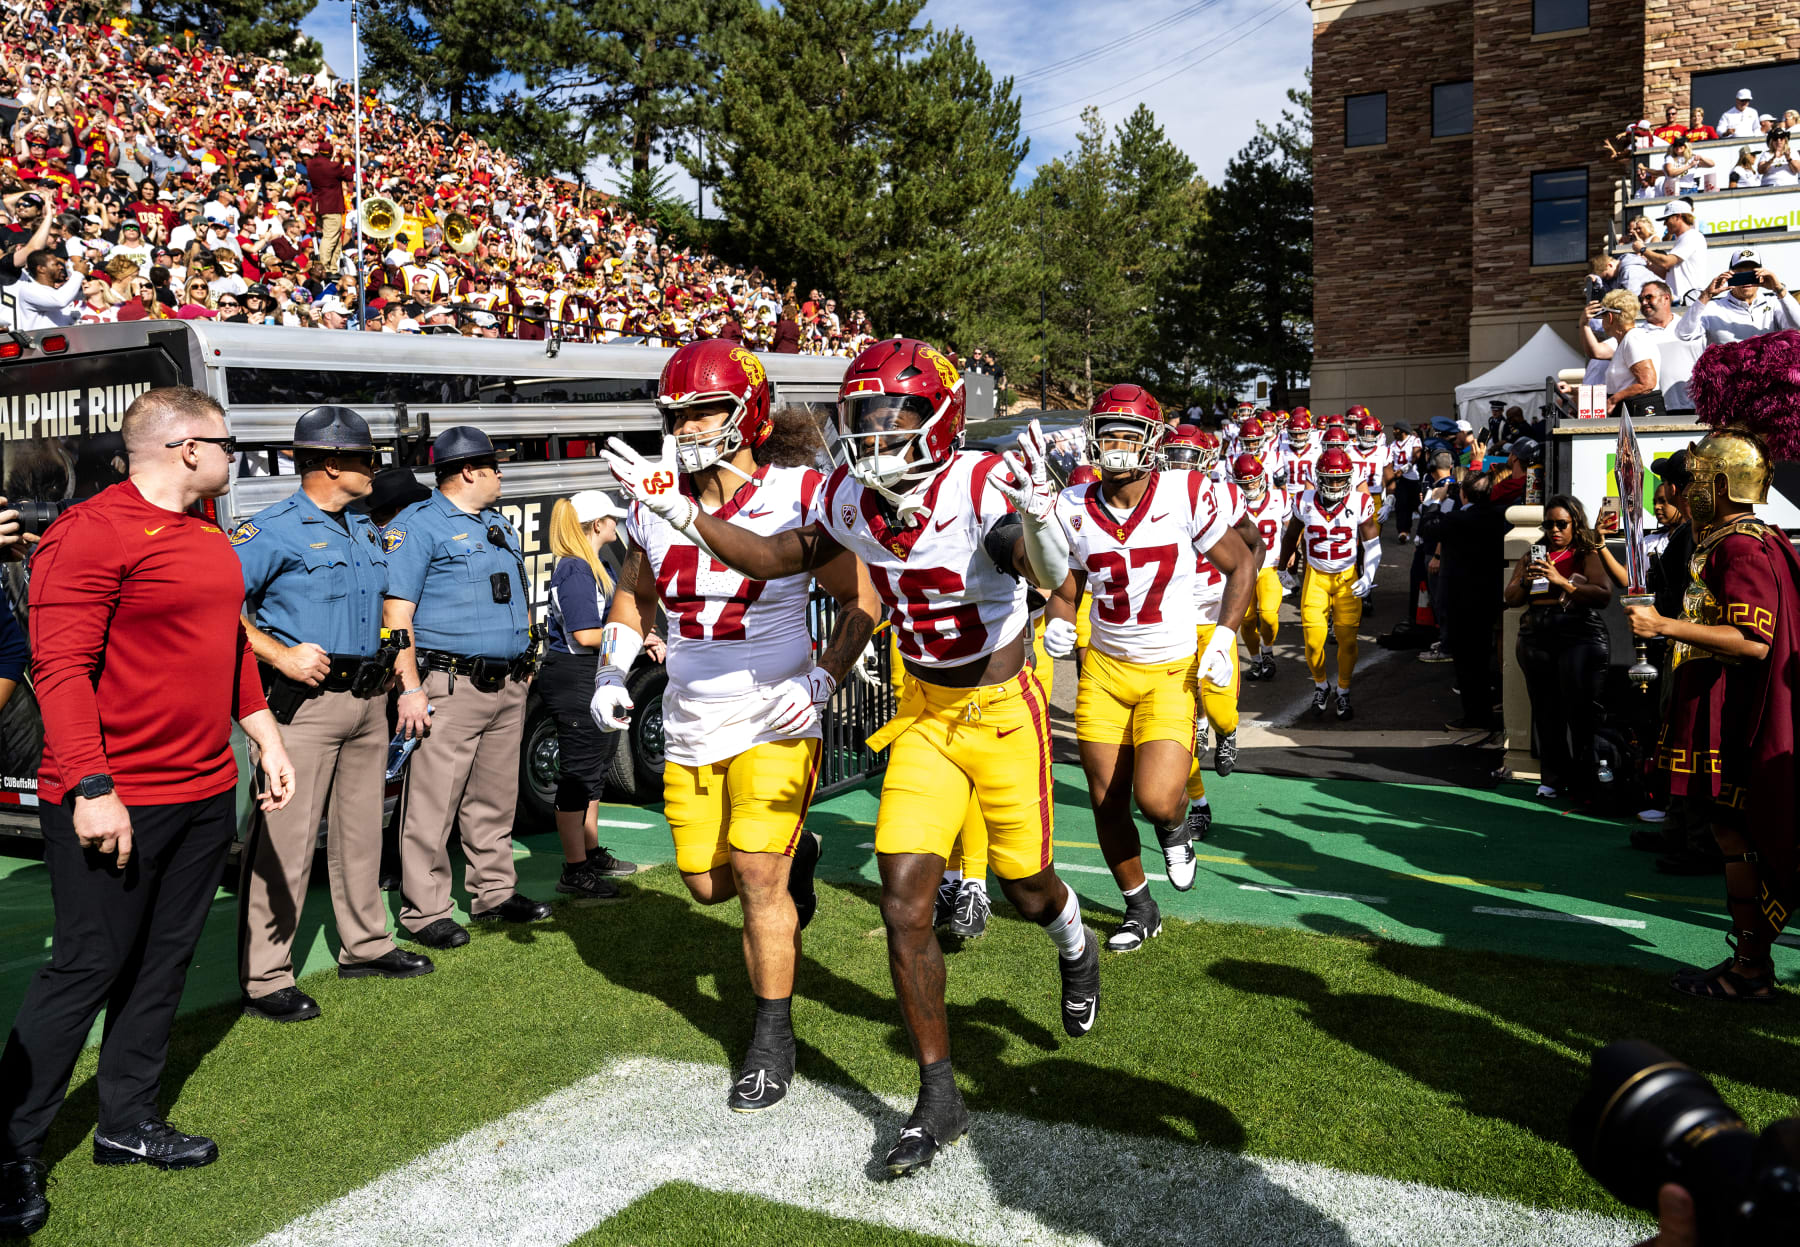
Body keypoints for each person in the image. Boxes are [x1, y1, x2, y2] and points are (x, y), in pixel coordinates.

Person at [604, 337, 1091, 1177]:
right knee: (905, 906)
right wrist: (688, 518)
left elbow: (1040, 566)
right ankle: (939, 1099)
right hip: (925, 716)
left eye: (895, 415)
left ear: (942, 419)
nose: (877, 433)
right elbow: (776, 558)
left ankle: (1074, 939)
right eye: (863, 417)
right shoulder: (846, 497)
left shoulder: (978, 481)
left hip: (1004, 710)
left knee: (1026, 881)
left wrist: (1047, 524)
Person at [0, 387, 296, 1237]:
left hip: (203, 789)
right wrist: (93, 788)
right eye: (229, 442)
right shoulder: (89, 533)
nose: (238, 457)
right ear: (186, 446)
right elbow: (57, 667)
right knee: (87, 967)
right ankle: (9, 1144)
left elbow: (230, 645)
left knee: (162, 962)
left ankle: (126, 1122)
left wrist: (265, 737)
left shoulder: (205, 531)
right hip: (113, 796)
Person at [593, 341, 876, 1112]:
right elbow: (634, 593)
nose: (688, 427)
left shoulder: (796, 493)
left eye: (705, 410)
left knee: (756, 876)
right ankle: (803, 853)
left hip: (773, 710)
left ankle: (770, 1036)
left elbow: (862, 600)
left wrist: (823, 678)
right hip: (691, 713)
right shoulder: (654, 496)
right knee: (707, 882)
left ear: (746, 409)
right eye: (677, 413)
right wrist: (613, 669)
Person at [232, 407, 433, 1026]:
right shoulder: (269, 531)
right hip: (303, 708)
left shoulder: (364, 529)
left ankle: (366, 944)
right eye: (367, 458)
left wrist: (405, 686)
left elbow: (390, 619)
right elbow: (218, 610)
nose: (375, 468)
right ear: (329, 463)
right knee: (286, 841)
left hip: (368, 699)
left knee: (359, 832)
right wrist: (278, 653)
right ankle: (266, 975)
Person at [1042, 386, 1258, 954]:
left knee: (1158, 799)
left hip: (1168, 669)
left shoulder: (1188, 492)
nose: (1114, 444)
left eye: (1126, 433)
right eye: (1106, 431)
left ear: (1152, 441)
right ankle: (1140, 907)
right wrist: (1057, 619)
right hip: (1105, 673)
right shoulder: (1072, 505)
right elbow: (1066, 591)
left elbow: (1242, 565)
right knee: (1105, 799)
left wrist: (1227, 635)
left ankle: (1174, 827)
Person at [1625, 333, 1800, 1001]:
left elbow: (1754, 641)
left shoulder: (1745, 546)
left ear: (1722, 484)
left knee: (1739, 835)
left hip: (1735, 714)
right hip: (1712, 704)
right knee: (1729, 833)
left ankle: (1752, 968)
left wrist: (1665, 624)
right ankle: (1748, 963)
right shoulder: (1727, 539)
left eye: (1697, 478)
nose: (1688, 487)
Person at [382, 426, 551, 949]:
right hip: (448, 684)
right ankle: (425, 910)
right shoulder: (419, 526)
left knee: (495, 799)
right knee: (433, 803)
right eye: (495, 466)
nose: (502, 474)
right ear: (470, 471)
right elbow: (396, 614)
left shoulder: (497, 524)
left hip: (506, 683)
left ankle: (494, 892)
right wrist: (410, 687)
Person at [542, 492, 641, 902]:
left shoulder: (587, 565)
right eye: (612, 519)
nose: (617, 526)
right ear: (597, 524)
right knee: (579, 774)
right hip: (575, 676)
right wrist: (637, 637)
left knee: (594, 771)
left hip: (587, 675)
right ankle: (575, 870)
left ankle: (590, 853)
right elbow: (584, 635)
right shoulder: (578, 569)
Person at [1503, 496, 1612, 802]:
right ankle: (1552, 777)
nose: (1554, 530)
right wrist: (1526, 579)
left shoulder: (1583, 552)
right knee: (1545, 710)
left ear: (1574, 523)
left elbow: (1603, 594)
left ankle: (1586, 779)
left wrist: (1560, 580)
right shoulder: (1535, 553)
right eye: (1549, 524)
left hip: (1577, 634)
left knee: (1580, 711)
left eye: (1561, 524)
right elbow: (1510, 597)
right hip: (1538, 635)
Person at [1278, 448, 1381, 720]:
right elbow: (1291, 536)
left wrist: (1368, 576)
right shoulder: (1303, 500)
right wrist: (1281, 568)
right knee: (1313, 643)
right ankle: (1321, 685)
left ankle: (1344, 692)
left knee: (1347, 641)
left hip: (1347, 578)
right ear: (1318, 477)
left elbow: (1373, 545)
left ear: (1349, 478)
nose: (1335, 484)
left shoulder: (1360, 502)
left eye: (1340, 479)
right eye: (1330, 479)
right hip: (1316, 577)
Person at [1433, 471, 1511, 731]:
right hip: (1489, 597)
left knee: (1466, 662)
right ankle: (1484, 711)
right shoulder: (1499, 517)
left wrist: (1441, 499)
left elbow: (1430, 524)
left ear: (1463, 494)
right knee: (1481, 656)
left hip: (1459, 600)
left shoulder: (1454, 519)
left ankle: (1474, 715)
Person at [1233, 452, 1291, 682]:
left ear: (1263, 478)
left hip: (1270, 566)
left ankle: (1267, 651)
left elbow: (1291, 529)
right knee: (1246, 620)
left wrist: (1292, 553)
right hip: (1242, 569)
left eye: (1253, 481)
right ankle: (1257, 660)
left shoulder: (1282, 498)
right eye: (1244, 483)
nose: (1249, 487)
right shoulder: (1232, 501)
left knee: (1267, 615)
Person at [1674, 247, 1800, 345]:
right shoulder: (1713, 308)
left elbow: (1797, 326)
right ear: (1730, 276)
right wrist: (1706, 295)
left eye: (1751, 274)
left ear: (1762, 275)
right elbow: (1683, 334)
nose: (1746, 281)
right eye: (1740, 275)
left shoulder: (1773, 303)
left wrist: (1779, 289)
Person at [1634, 201, 1708, 305]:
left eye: (1667, 219)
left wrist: (1643, 250)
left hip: (1688, 301)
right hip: (1680, 300)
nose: (1665, 223)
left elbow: (1667, 262)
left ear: (1678, 216)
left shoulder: (1692, 236)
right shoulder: (1683, 238)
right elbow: (1667, 273)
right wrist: (1645, 261)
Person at [304, 141, 354, 276]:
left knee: (336, 237)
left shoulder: (311, 164)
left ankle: (333, 267)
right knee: (330, 237)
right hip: (331, 205)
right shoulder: (333, 166)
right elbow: (349, 176)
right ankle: (324, 267)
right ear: (331, 153)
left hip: (318, 205)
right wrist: (346, 158)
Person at [5, 247, 83, 329]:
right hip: (37, 341)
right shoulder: (28, 290)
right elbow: (60, 301)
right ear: (41, 269)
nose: (61, 267)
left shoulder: (56, 292)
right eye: (56, 264)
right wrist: (79, 273)